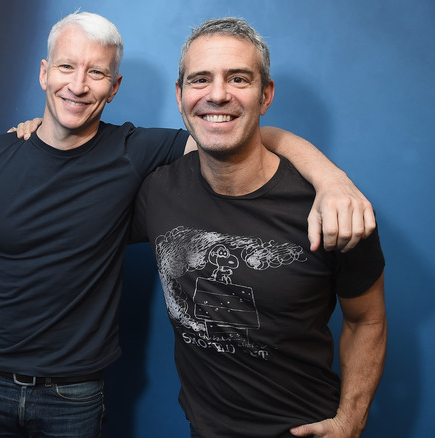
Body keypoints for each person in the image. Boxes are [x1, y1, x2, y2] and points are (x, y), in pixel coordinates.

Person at [0, 11, 375, 438]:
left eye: (97, 73)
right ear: (44, 73)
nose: (77, 85)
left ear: (114, 87)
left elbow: (236, 132)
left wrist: (330, 179)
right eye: (66, 67)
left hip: (74, 394)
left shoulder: (136, 152)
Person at [132, 17, 386, 438]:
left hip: (305, 430)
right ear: (179, 96)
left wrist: (351, 422)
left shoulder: (334, 206)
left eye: (238, 79)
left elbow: (367, 322)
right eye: (200, 80)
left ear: (265, 95)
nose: (217, 94)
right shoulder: (157, 192)